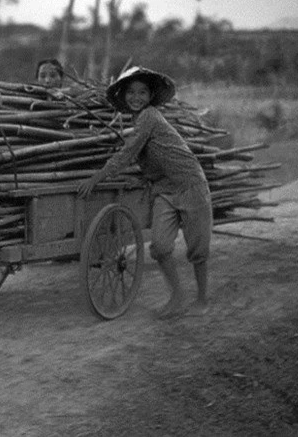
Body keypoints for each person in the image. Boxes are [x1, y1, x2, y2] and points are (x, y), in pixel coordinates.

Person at [77, 66, 212, 319]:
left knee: (198, 250)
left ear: (151, 96)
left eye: (142, 92)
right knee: (160, 247)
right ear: (124, 95)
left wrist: (97, 177)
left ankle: (203, 299)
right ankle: (178, 296)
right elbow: (141, 155)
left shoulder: (149, 116)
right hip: (164, 191)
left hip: (190, 185)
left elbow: (127, 154)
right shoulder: (137, 121)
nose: (136, 97)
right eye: (131, 92)